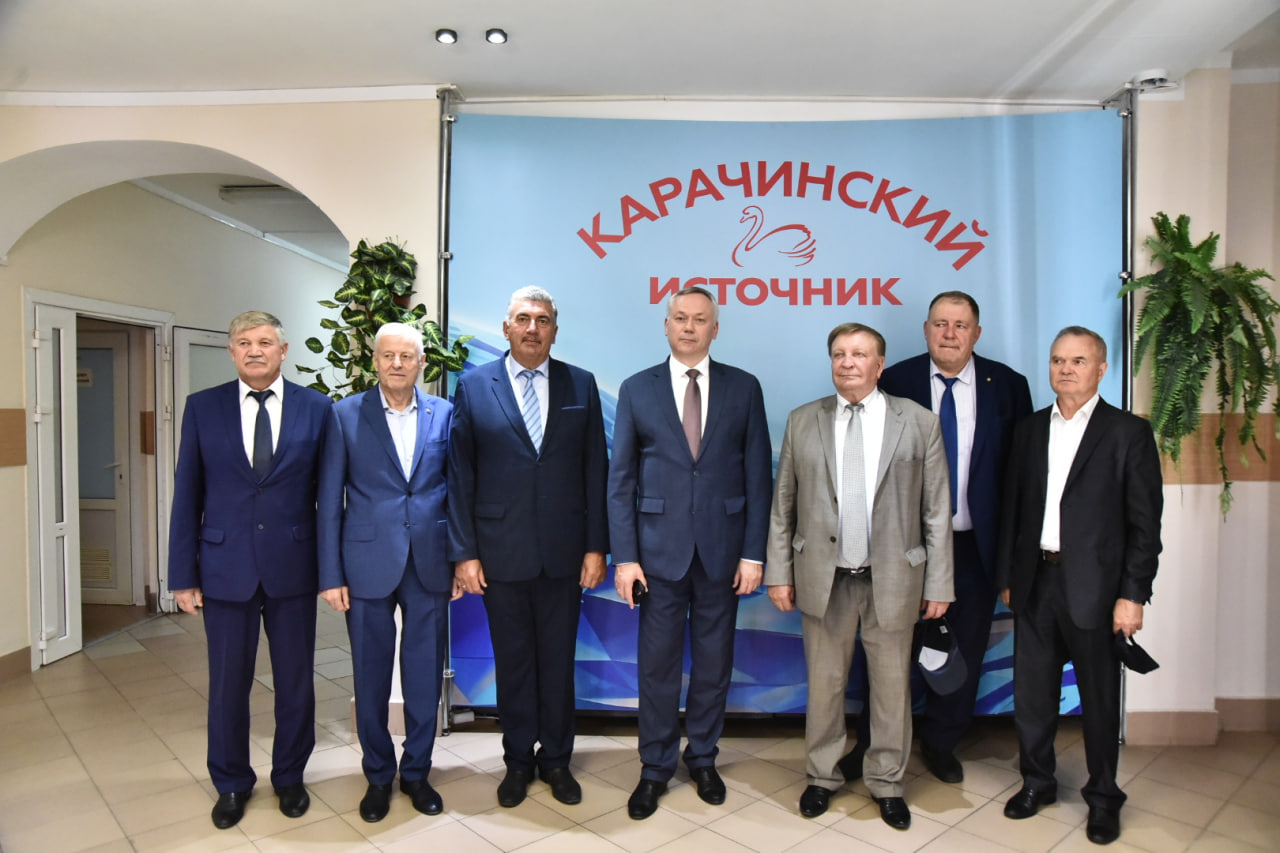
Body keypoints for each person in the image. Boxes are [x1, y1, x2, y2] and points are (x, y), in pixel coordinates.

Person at [766, 322, 953, 830]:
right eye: (839, 354)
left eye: (859, 354)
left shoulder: (918, 422)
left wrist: (940, 584)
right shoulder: (803, 420)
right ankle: (821, 776)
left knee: (892, 690)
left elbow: (937, 511)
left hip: (892, 579)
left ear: (880, 364)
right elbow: (783, 507)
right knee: (824, 687)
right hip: (823, 579)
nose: (848, 362)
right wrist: (779, 573)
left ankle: (887, 782)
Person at [841, 291, 1032, 784]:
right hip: (902, 546)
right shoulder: (895, 380)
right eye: (941, 324)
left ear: (977, 333)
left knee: (962, 647)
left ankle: (942, 742)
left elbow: (1021, 478)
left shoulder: (1008, 386)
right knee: (886, 649)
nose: (949, 334)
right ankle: (873, 742)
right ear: (926, 329)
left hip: (973, 546)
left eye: (960, 325)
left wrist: (1011, 560)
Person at [608, 285, 772, 820]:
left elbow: (757, 477)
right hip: (657, 556)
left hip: (724, 554)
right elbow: (620, 481)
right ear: (666, 324)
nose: (688, 327)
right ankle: (655, 767)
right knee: (656, 666)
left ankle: (702, 758)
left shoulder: (744, 388)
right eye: (680, 317)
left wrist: (754, 554)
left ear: (714, 329)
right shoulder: (638, 389)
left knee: (714, 663)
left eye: (700, 319)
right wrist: (625, 558)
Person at [997, 326, 1162, 846]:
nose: (1065, 369)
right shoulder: (1029, 429)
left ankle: (1104, 798)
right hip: (1035, 582)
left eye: (1078, 360)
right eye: (1057, 360)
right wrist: (1008, 576)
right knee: (1033, 697)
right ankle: (1037, 783)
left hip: (1097, 589)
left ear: (1101, 369)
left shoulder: (1128, 433)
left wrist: (1132, 595)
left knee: (1098, 699)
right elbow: (1012, 509)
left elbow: (1145, 526)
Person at [168, 310, 332, 829]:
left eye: (265, 342)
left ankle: (289, 776)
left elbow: (328, 498)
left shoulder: (317, 408)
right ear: (231, 351)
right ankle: (231, 782)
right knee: (227, 686)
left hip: (294, 567)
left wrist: (331, 570)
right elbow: (187, 493)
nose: (255, 350)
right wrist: (182, 575)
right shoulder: (203, 407)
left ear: (284, 351)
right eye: (244, 342)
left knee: (296, 682)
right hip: (224, 569)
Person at [447, 286, 609, 808]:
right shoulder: (474, 386)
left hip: (565, 554)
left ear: (554, 330)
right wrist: (465, 553)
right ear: (506, 328)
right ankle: (517, 761)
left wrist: (596, 547)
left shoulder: (580, 383)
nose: (532, 328)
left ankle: (557, 760)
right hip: (500, 553)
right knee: (514, 662)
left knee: (558, 664)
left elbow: (595, 471)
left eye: (542, 320)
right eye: (523, 319)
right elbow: (460, 476)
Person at [317, 322, 459, 823]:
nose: (397, 363)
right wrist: (330, 573)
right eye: (388, 355)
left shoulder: (445, 414)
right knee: (371, 675)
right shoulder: (344, 415)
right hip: (365, 564)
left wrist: (460, 559)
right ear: (374, 361)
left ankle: (417, 772)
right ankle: (378, 775)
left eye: (407, 356)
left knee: (424, 674)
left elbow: (457, 492)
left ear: (422, 363)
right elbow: (329, 499)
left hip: (430, 562)